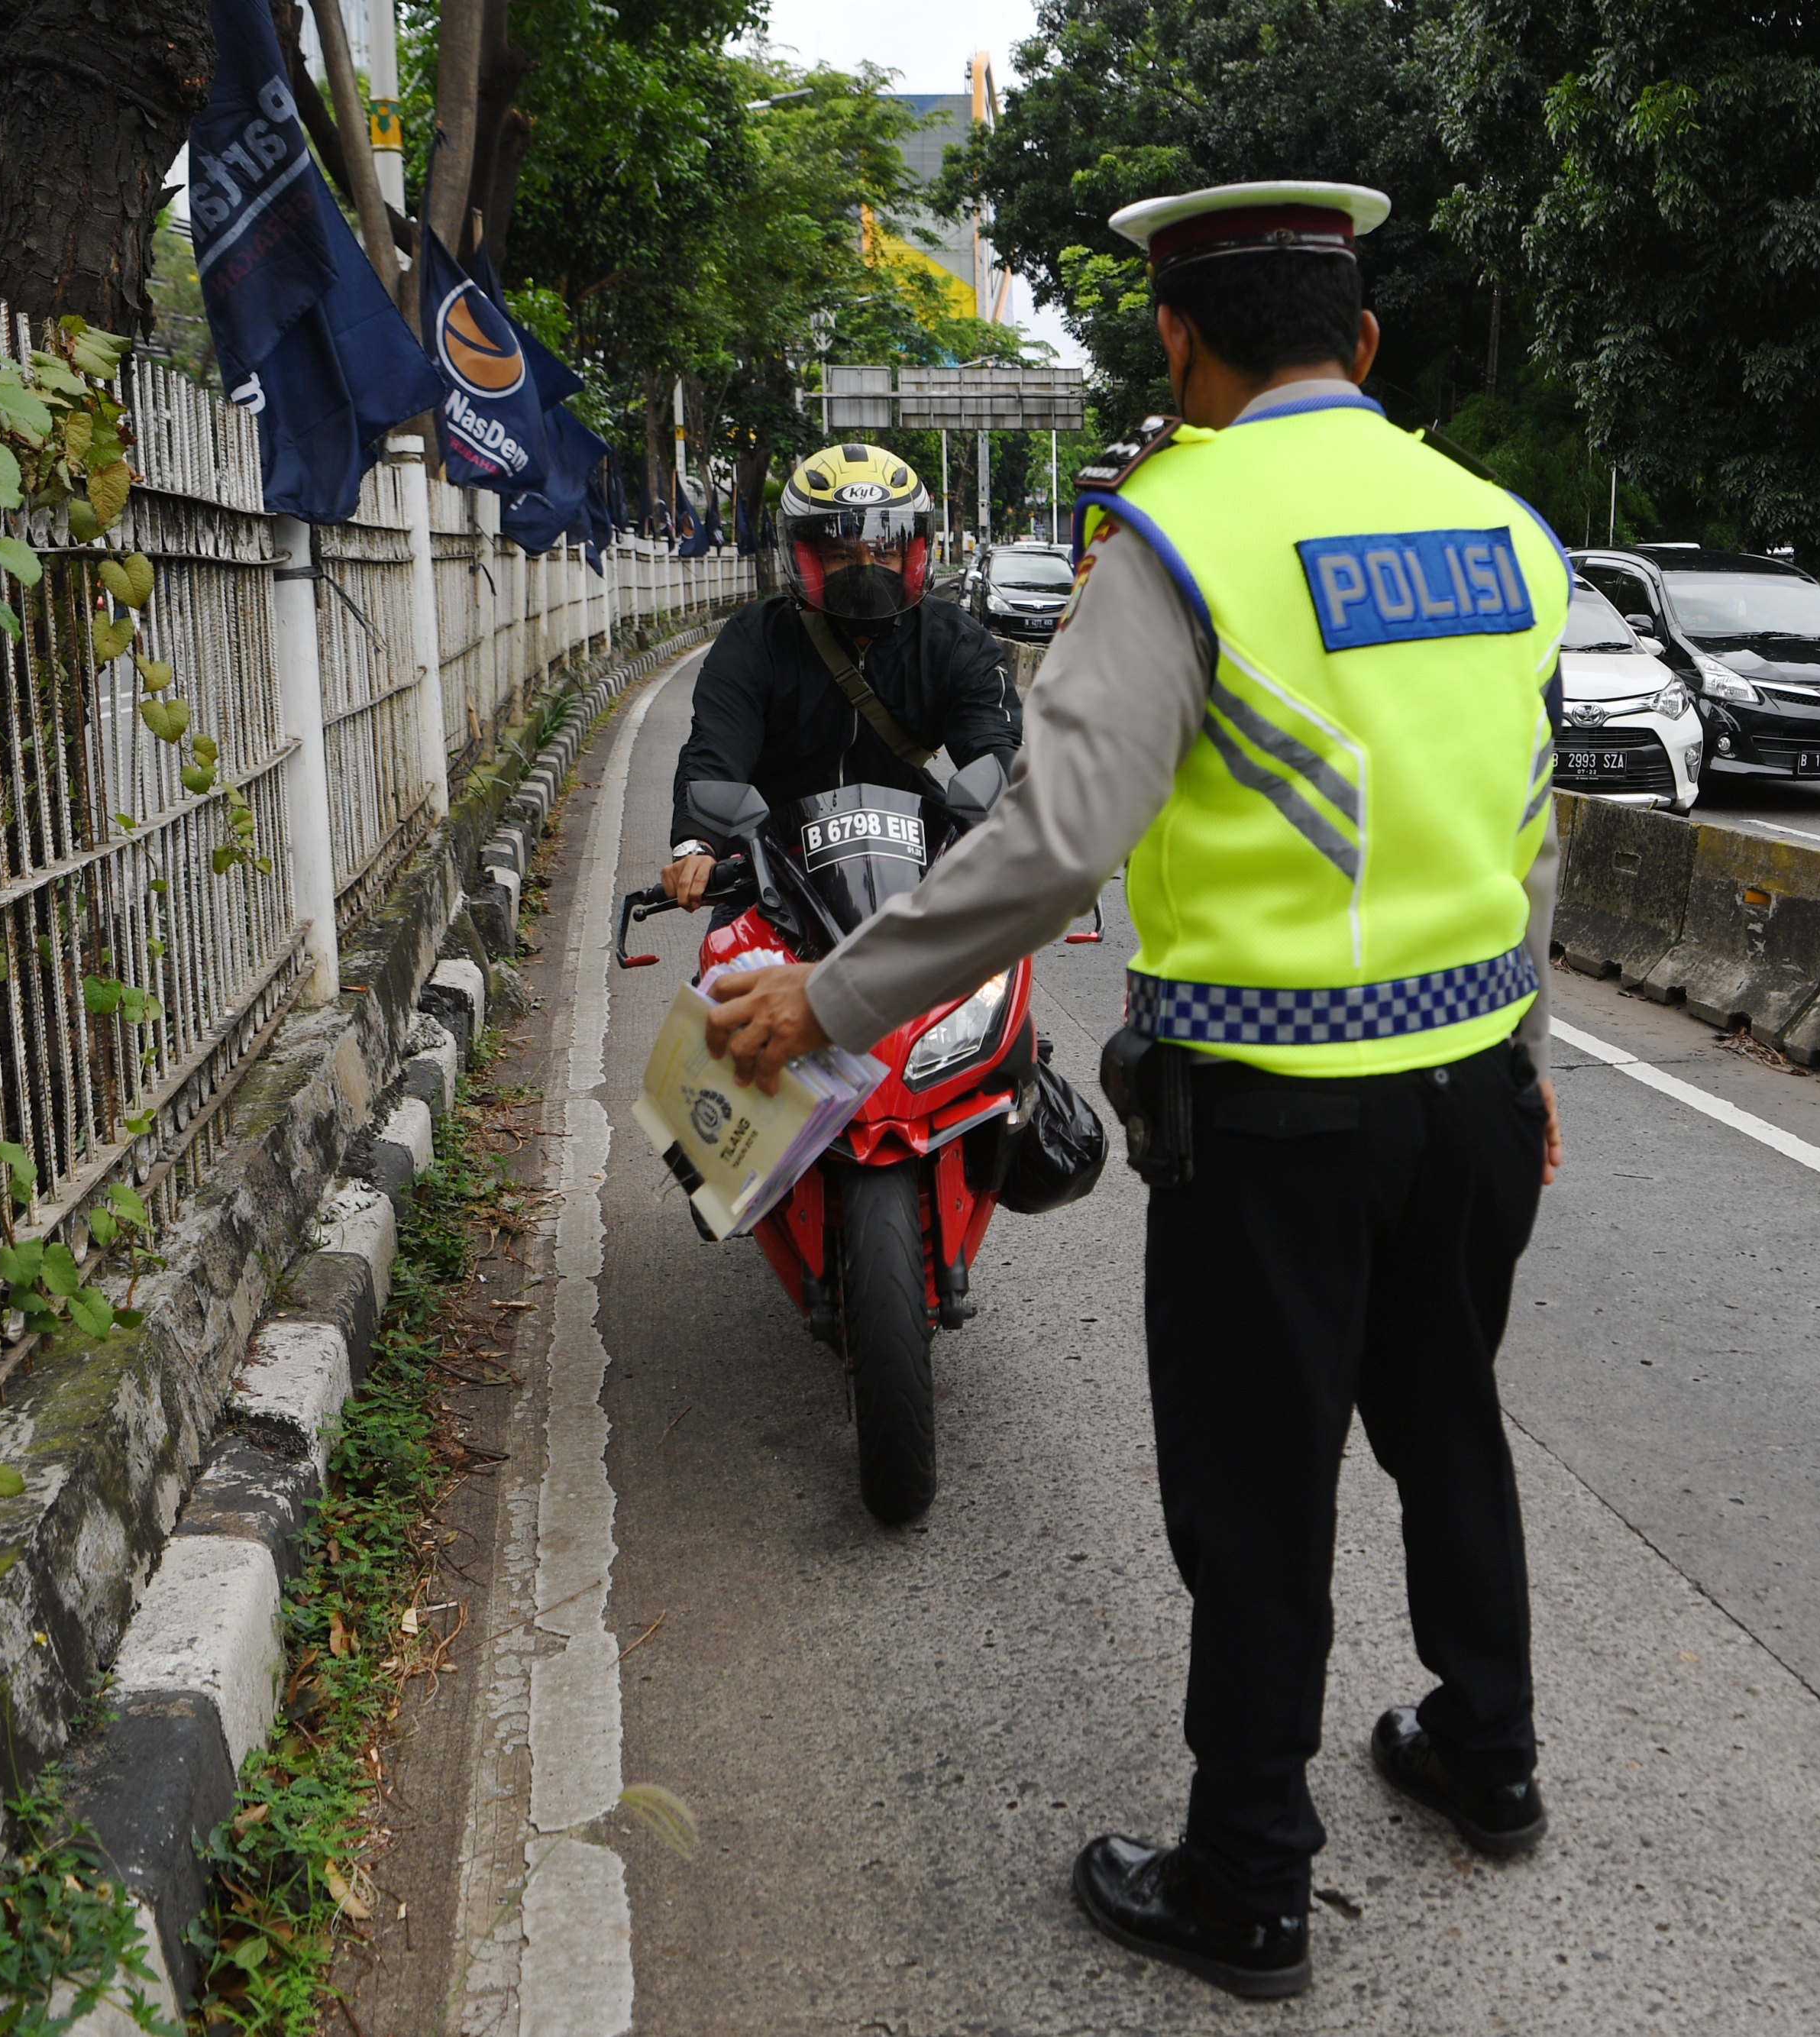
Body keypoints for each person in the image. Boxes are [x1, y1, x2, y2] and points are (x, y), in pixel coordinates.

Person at [695, 179, 1570, 2001]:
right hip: (1474, 1090)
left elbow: (1048, 848)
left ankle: (1246, 1881)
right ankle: (1486, 1753)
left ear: (1177, 340)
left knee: (1256, 1498)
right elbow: (1530, 826)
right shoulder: (1500, 531)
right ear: (1363, 340)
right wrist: (1530, 1056)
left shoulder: (1175, 538)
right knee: (1446, 1418)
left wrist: (823, 1001)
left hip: (1279, 1112)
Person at [656, 445, 1021, 904]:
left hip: (914, 871)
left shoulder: (955, 643)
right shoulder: (757, 639)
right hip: (773, 874)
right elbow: (716, 747)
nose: (867, 568)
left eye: (885, 551)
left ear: (912, 556)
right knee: (726, 951)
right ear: (807, 560)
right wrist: (697, 845)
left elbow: (994, 746)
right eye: (842, 553)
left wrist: (1016, 825)